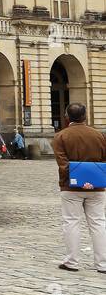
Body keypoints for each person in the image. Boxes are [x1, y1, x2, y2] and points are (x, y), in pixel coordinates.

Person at [52, 103, 106, 273]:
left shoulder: (61, 136)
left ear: (67, 116)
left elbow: (63, 164)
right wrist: (92, 179)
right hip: (97, 187)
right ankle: (103, 264)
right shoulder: (99, 135)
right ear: (85, 116)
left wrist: (80, 180)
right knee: (98, 224)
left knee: (71, 222)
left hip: (71, 187)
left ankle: (72, 261)